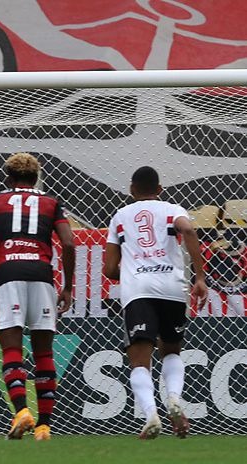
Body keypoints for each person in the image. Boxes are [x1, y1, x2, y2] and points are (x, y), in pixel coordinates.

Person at [0, 152, 76, 441]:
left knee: (12, 351)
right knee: (44, 353)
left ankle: (21, 412)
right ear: (36, 177)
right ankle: (44, 426)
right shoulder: (52, 203)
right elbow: (68, 242)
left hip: (8, 275)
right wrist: (67, 286)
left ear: (8, 177)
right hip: (42, 275)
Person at [103, 166, 207, 440]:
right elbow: (189, 231)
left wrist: (130, 266)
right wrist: (200, 277)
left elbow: (109, 269)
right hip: (172, 288)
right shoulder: (173, 209)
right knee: (171, 351)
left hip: (138, 289)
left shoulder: (120, 216)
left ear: (132, 189)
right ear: (160, 190)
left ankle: (151, 414)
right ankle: (173, 398)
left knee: (139, 360)